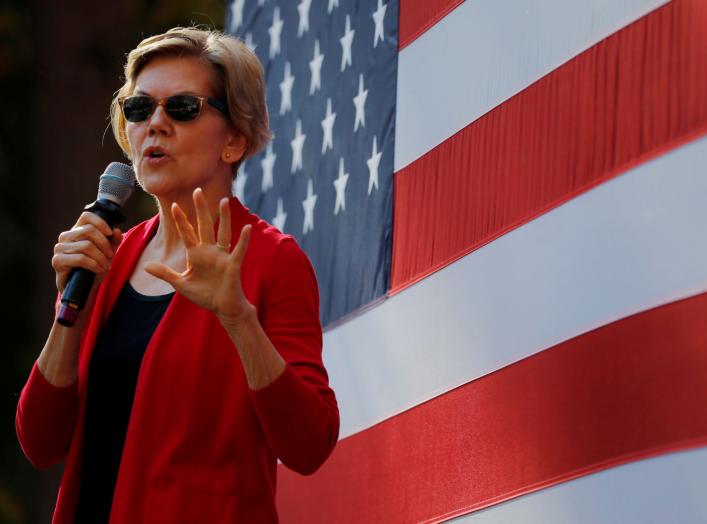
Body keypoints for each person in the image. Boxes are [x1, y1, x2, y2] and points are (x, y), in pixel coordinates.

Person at [15, 27, 339, 523]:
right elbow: (40, 442)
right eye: (139, 109)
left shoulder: (273, 261)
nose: (156, 124)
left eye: (182, 107)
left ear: (234, 140)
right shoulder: (110, 257)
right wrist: (69, 313)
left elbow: (310, 445)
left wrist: (239, 321)